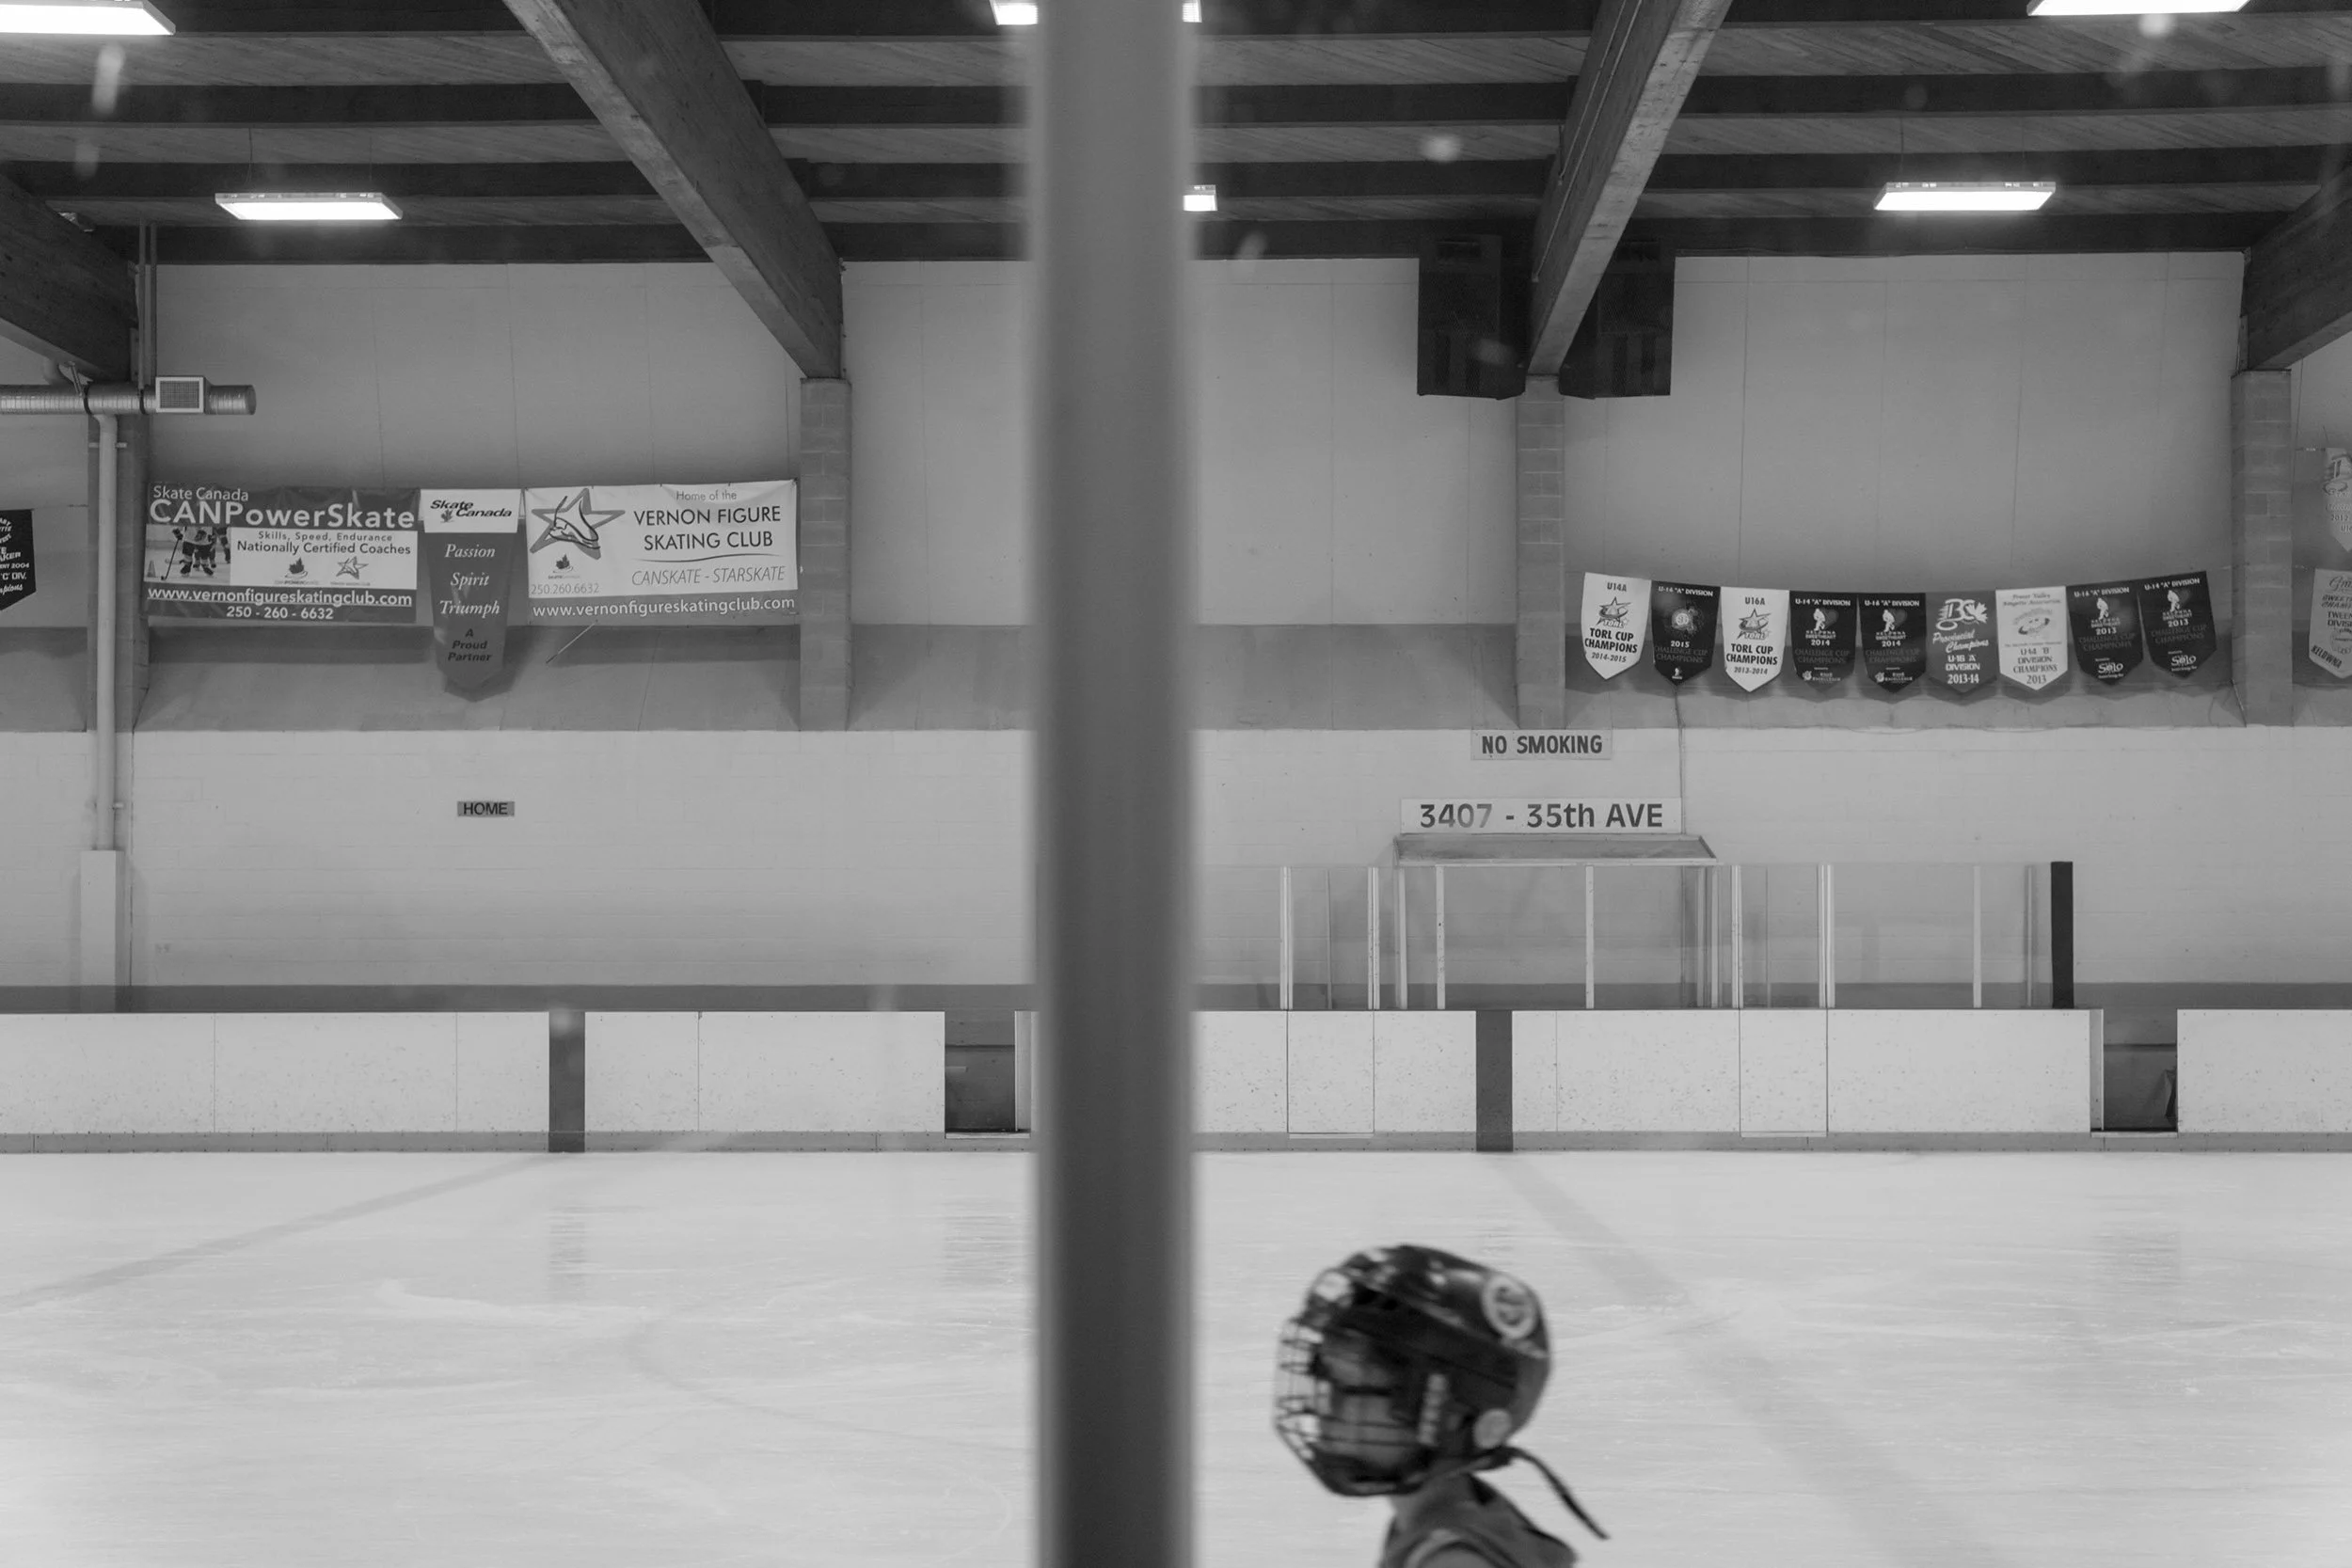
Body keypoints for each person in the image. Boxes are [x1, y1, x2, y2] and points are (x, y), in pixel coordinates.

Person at [1275, 1244, 1607, 1568]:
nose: (1326, 1405)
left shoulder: (1453, 1559)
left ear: (1459, 1418)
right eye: (1327, 1378)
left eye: (1354, 1387)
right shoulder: (1448, 1524)